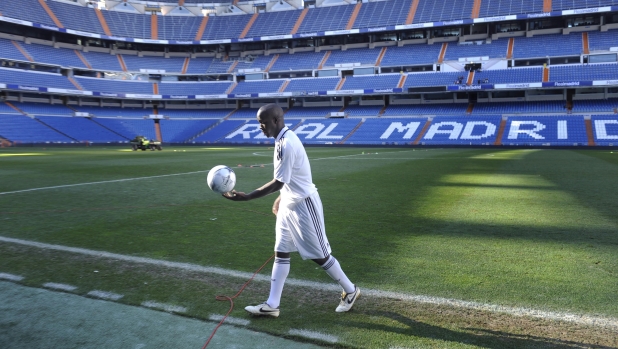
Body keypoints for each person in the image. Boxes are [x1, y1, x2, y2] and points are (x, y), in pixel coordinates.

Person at [223, 104, 359, 317]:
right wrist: (281, 198)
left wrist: (248, 196)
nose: (260, 126)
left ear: (276, 121)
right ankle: (272, 304)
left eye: (263, 122)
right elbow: (289, 179)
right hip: (289, 202)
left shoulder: (286, 143)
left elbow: (278, 182)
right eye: (259, 122)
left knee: (320, 255)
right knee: (281, 251)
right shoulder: (281, 140)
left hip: (304, 205)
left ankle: (351, 290)